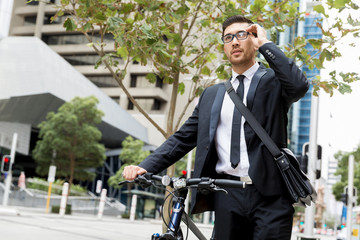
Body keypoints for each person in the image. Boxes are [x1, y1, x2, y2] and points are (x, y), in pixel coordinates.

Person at [123, 15, 309, 240]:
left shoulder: (273, 81)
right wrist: (145, 166)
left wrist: (265, 44)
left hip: (271, 197)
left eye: (242, 35)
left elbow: (299, 85)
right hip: (225, 193)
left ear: (253, 39)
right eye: (228, 38)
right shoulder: (212, 95)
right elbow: (183, 138)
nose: (235, 42)